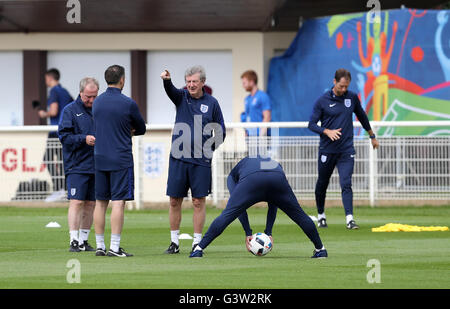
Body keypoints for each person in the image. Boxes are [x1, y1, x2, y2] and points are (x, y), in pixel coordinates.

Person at [189, 156, 327, 258]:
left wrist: (248, 233)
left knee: (227, 215)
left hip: (251, 180)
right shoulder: (274, 163)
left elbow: (238, 209)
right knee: (299, 215)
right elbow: (274, 203)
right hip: (277, 177)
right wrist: (268, 231)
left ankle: (199, 249)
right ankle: (320, 249)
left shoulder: (233, 175)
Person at [160, 66, 226, 254]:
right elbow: (170, 90)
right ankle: (174, 243)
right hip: (178, 159)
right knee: (174, 201)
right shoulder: (181, 97)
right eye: (188, 82)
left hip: (201, 162)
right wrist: (166, 80)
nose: (191, 85)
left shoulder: (212, 103)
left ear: (202, 82)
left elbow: (221, 131)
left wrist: (208, 149)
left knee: (198, 201)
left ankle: (197, 243)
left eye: (194, 82)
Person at [308, 68, 379, 230]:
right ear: (334, 82)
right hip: (327, 150)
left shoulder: (352, 97)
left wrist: (372, 136)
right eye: (341, 86)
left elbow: (361, 116)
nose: (344, 89)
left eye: (346, 86)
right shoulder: (322, 101)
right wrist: (327, 131)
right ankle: (321, 215)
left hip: (346, 150)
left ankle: (349, 219)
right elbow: (311, 124)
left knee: (346, 183)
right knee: (322, 183)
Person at [92, 65, 146, 257]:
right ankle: (114, 247)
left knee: (100, 202)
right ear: (122, 80)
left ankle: (99, 246)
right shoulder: (128, 103)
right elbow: (141, 127)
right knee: (118, 202)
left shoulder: (97, 102)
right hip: (120, 157)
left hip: (99, 157)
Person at [58, 77, 99, 252]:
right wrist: (84, 139)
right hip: (76, 164)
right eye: (88, 96)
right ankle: (73, 240)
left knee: (91, 203)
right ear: (81, 92)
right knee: (76, 201)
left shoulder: (100, 110)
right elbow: (64, 137)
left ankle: (83, 240)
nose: (91, 100)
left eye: (94, 96)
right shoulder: (70, 110)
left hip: (96, 164)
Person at [39, 68, 73, 199]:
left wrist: (44, 114)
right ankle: (65, 189)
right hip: (66, 131)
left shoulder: (54, 91)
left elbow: (53, 111)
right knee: (62, 160)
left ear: (49, 78)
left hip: (55, 131)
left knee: (48, 159)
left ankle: (59, 189)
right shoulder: (65, 92)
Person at [241, 70, 272, 137]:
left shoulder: (263, 96)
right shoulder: (247, 99)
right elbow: (247, 117)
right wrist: (246, 132)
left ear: (252, 82)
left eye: (244, 83)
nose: (243, 86)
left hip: (260, 136)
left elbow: (267, 117)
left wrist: (262, 135)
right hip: (250, 136)